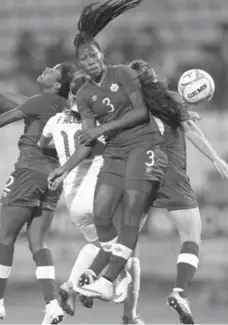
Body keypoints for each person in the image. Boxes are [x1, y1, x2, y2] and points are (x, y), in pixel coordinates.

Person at [48, 0, 171, 304]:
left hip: (144, 145)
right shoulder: (86, 94)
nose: (89, 60)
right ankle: (118, 272)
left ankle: (108, 277)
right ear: (79, 64)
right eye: (84, 58)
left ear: (102, 55)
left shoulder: (122, 75)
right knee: (102, 214)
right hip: (116, 151)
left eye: (93, 54)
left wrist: (101, 129)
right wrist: (64, 169)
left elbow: (141, 112)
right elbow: (87, 139)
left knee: (129, 215)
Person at [128, 59, 228, 324]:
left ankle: (120, 302)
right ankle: (180, 292)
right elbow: (191, 131)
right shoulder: (167, 97)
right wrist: (215, 159)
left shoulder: (127, 105)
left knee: (127, 243)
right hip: (170, 173)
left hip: (139, 175)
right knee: (191, 236)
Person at [42, 72, 144, 324]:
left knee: (101, 246)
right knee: (125, 247)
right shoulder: (95, 120)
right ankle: (119, 287)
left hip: (72, 198)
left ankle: (71, 286)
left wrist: (62, 164)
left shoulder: (54, 120)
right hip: (96, 189)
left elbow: (43, 145)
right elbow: (95, 146)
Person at [0, 63, 75, 324]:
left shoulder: (40, 101)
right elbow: (24, 101)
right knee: (38, 242)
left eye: (53, 69)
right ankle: (52, 305)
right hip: (54, 177)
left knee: (4, 237)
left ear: (56, 84)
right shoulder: (63, 104)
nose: (45, 67)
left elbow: (5, 118)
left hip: (28, 171)